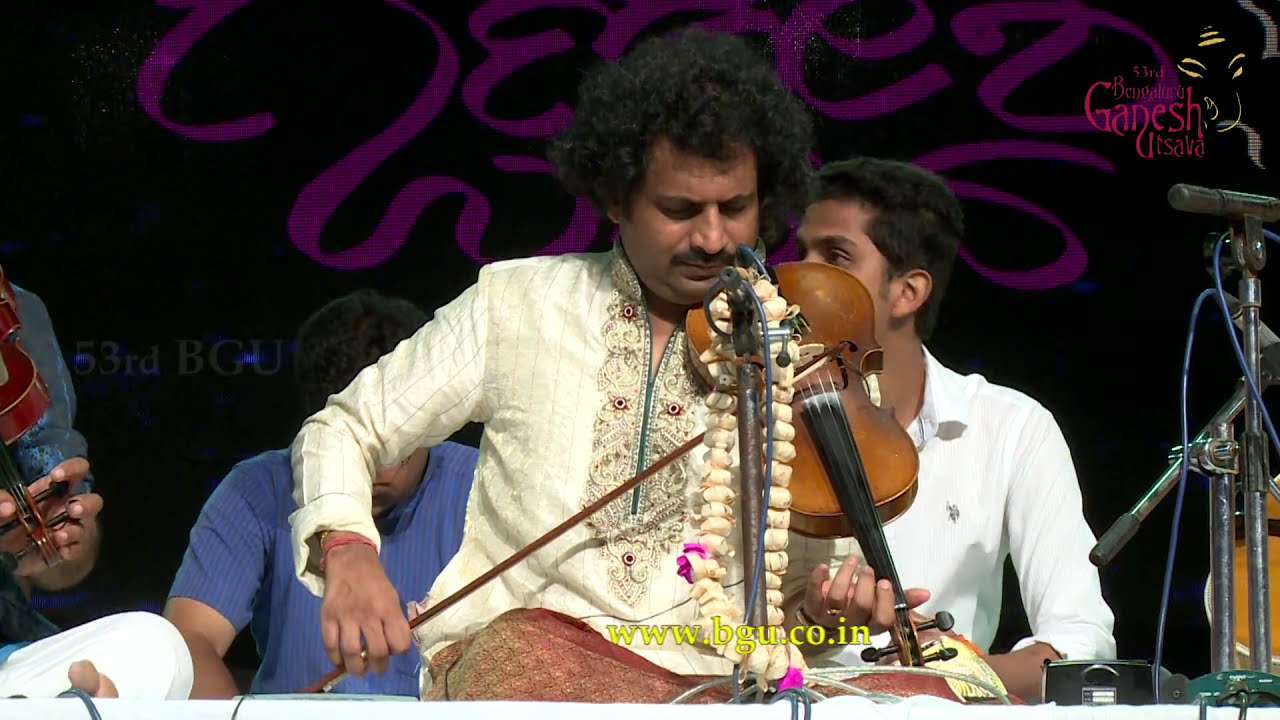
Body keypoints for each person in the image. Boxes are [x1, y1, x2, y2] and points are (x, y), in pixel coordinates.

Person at [287, 28, 816, 701]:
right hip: (529, 663)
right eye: (680, 210)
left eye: (734, 208)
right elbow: (344, 428)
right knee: (528, 656)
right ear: (617, 198)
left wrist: (836, 601)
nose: (713, 238)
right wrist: (349, 550)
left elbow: (806, 584)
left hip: (712, 681)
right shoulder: (517, 303)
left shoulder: (789, 342)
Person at [784, 156, 1116, 700]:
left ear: (908, 292)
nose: (798, 276)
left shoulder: (1011, 428)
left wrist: (948, 677)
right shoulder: (762, 419)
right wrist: (814, 625)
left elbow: (1080, 640)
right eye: (801, 252)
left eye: (834, 256)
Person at [164, 290, 478, 698]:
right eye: (351, 444)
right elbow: (188, 641)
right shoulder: (255, 488)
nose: (380, 469)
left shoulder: (480, 482)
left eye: (398, 443)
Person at [0, 282, 192, 699]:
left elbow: (66, 566)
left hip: (6, 652)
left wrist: (56, 539)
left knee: (153, 646)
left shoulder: (15, 309)